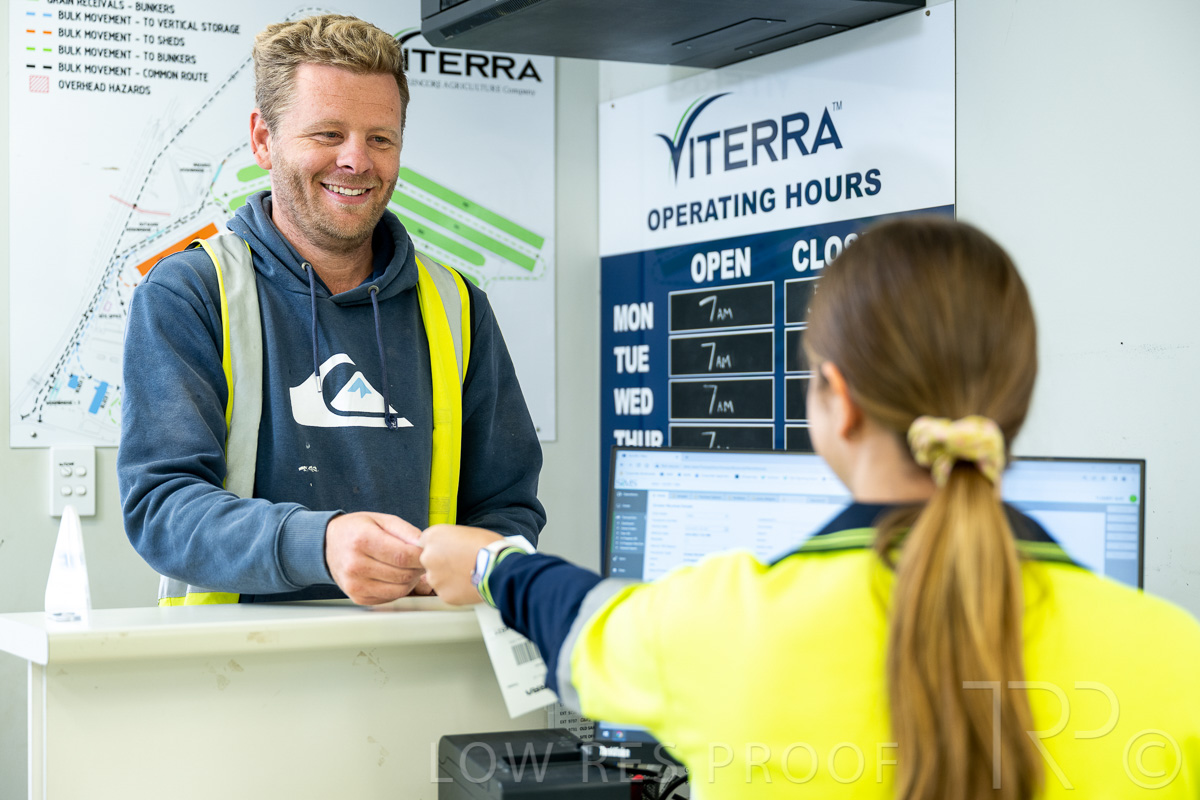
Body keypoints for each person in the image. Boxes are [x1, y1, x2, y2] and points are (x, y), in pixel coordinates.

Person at [420, 217, 1200, 798]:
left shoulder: (720, 628)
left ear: (840, 401)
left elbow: (581, 619)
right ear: (1012, 403)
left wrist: (491, 564)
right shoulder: (1176, 655)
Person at [118, 15, 544, 606]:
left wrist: (476, 560)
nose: (357, 161)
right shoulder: (189, 292)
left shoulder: (458, 305)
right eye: (327, 134)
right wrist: (319, 544)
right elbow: (162, 507)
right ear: (263, 140)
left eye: (380, 138)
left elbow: (508, 507)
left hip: (422, 653)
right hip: (238, 655)